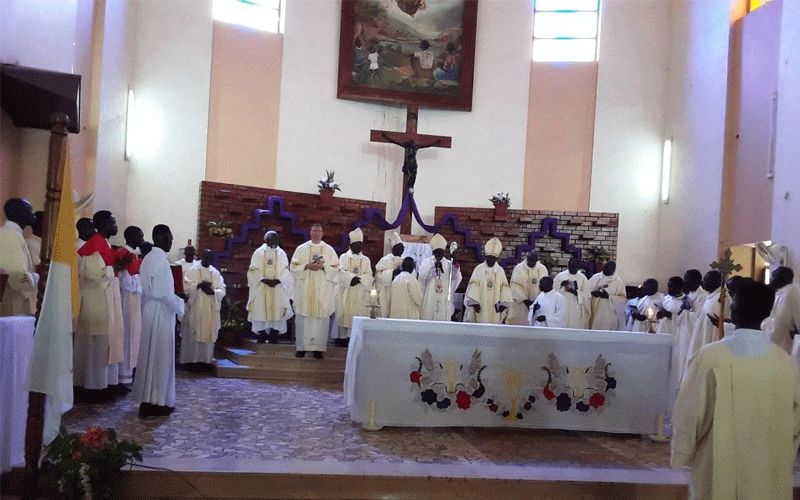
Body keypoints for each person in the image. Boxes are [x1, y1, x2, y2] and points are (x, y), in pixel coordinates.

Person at [671, 280, 800, 499]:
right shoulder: (785, 363)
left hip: (718, 462)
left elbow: (690, 413)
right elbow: (794, 420)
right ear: (767, 313)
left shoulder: (711, 357)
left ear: (733, 309)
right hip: (768, 465)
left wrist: (682, 451)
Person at [74, 210, 128, 400]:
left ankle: (105, 384)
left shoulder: (103, 243)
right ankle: (92, 388)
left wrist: (116, 266)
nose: (116, 226)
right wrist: (116, 268)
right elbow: (92, 273)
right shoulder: (95, 244)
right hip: (96, 299)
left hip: (105, 297)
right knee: (96, 345)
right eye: (113, 222)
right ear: (103, 224)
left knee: (104, 344)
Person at [134, 224, 186, 417]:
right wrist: (181, 303)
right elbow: (163, 293)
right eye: (169, 238)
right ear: (159, 238)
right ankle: (156, 402)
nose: (171, 241)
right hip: (160, 312)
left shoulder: (149, 257)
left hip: (151, 309)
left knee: (151, 355)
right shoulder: (161, 260)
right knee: (160, 357)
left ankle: (149, 399)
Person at [290, 223, 339, 359]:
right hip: (305, 289)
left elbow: (336, 268)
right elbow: (293, 266)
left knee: (321, 319)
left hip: (322, 290)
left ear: (322, 233)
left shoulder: (329, 250)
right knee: (303, 318)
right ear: (310, 232)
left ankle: (318, 349)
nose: (317, 233)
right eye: (314, 230)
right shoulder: (301, 249)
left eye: (319, 230)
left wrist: (323, 267)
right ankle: (301, 348)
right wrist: (306, 266)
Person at [246, 230, 293, 344]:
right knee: (260, 309)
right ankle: (262, 335)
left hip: (277, 287)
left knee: (278, 309)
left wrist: (278, 280)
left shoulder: (281, 253)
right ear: (265, 239)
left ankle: (274, 335)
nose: (274, 241)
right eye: (271, 238)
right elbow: (252, 269)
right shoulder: (258, 252)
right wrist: (263, 279)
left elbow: (285, 270)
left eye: (275, 238)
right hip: (261, 286)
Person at [181, 249, 226, 367]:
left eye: (210, 258)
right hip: (196, 309)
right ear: (201, 257)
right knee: (194, 333)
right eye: (206, 257)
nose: (208, 260)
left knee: (208, 334)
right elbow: (185, 287)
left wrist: (213, 292)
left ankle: (206, 361)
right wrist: (199, 285)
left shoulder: (215, 273)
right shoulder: (192, 270)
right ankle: (192, 362)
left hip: (210, 310)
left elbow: (222, 289)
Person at [0, 198, 39, 316]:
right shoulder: (11, 236)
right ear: (19, 213)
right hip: (12, 302)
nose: (33, 213)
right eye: (30, 210)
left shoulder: (11, 234)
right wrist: (38, 278)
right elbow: (17, 276)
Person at [335, 228, 373, 347]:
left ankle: (355, 338)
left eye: (361, 244)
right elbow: (340, 272)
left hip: (360, 291)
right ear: (351, 245)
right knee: (345, 314)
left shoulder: (366, 260)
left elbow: (369, 275)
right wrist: (351, 279)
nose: (360, 247)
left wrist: (359, 279)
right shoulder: (343, 257)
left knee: (357, 313)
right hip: (347, 290)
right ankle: (343, 339)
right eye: (357, 244)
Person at [685, 270, 729, 368]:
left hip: (712, 338)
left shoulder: (722, 298)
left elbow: (722, 321)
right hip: (703, 335)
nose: (703, 283)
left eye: (706, 281)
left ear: (715, 281)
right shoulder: (710, 297)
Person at [118, 225, 144, 387]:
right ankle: (122, 377)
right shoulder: (123, 253)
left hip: (134, 300)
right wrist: (138, 285)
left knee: (133, 336)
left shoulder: (133, 254)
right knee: (127, 336)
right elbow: (124, 281)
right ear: (132, 237)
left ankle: (128, 375)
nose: (142, 239)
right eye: (140, 236)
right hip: (126, 300)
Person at [464, 237, 511, 324]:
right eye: (489, 257)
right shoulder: (479, 269)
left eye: (493, 258)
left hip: (495, 310)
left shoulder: (500, 271)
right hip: (481, 308)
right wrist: (475, 303)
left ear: (496, 259)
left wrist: (503, 304)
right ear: (486, 256)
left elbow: (505, 290)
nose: (491, 260)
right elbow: (473, 289)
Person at [419, 234, 462, 321]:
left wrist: (455, 263)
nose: (438, 254)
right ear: (433, 252)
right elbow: (423, 276)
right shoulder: (427, 262)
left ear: (444, 252)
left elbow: (455, 277)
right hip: (430, 297)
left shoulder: (448, 264)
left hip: (444, 297)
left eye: (440, 252)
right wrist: (434, 268)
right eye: (437, 252)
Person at [764, 266, 800, 355]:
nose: (770, 280)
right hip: (772, 342)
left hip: (784, 346)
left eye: (773, 278)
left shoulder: (792, 292)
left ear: (781, 279)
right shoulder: (779, 292)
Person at [508, 251, 549, 326]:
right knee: (520, 325)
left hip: (537, 304)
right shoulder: (519, 268)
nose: (531, 262)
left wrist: (537, 300)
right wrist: (525, 300)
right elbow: (514, 285)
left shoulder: (542, 269)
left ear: (536, 260)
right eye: (529, 260)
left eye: (533, 261)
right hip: (521, 303)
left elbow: (545, 286)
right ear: (527, 259)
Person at [587, 261, 626, 331]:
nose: (605, 270)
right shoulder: (596, 277)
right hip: (594, 311)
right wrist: (592, 293)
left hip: (608, 316)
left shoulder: (618, 282)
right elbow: (586, 290)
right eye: (605, 268)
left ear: (613, 270)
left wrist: (608, 296)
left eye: (609, 269)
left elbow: (622, 299)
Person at [374, 232, 405, 317]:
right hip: (386, 290)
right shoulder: (385, 260)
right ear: (394, 248)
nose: (403, 250)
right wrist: (392, 273)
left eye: (403, 248)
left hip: (398, 291)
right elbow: (378, 275)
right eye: (401, 248)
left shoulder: (404, 261)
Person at [553, 259, 590, 329]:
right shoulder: (560, 276)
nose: (572, 269)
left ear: (578, 267)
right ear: (568, 266)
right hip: (563, 304)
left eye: (574, 267)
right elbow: (553, 290)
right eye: (571, 267)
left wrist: (575, 292)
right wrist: (561, 284)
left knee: (574, 325)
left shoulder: (582, 278)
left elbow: (587, 294)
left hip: (576, 306)